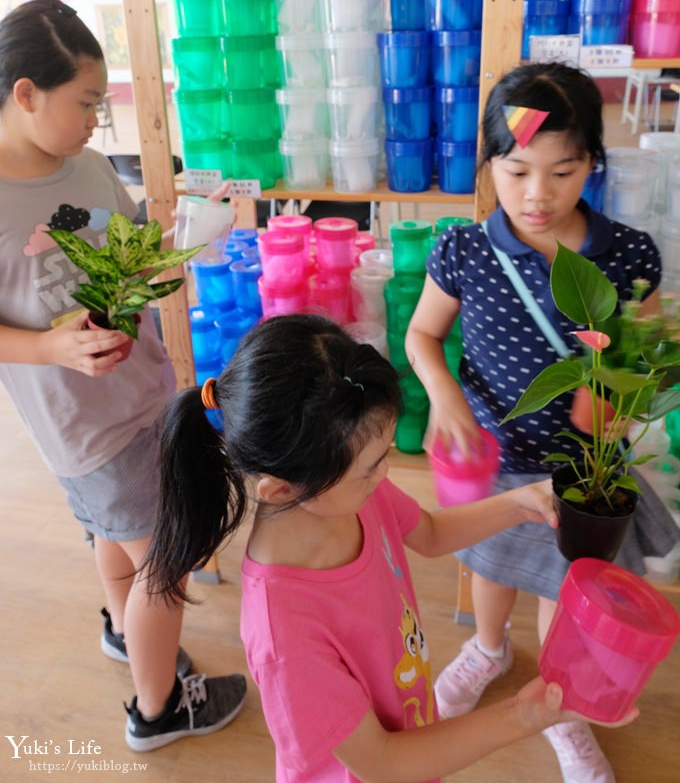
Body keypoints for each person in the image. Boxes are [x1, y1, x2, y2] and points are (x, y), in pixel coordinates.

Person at [144, 312, 637, 782]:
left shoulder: (350, 496)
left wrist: (521, 502)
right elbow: (380, 762)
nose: (385, 474)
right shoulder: (283, 632)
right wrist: (526, 714)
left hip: (412, 735)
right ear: (282, 488)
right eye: (371, 465)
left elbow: (430, 532)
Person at [405, 61, 680, 783]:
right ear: (491, 162)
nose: (537, 194)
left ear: (592, 161)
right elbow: (421, 337)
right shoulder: (464, 251)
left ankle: (558, 704)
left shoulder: (627, 257)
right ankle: (488, 649)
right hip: (499, 451)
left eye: (563, 171)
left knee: (568, 587)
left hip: (582, 468)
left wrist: (619, 404)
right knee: (493, 566)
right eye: (518, 169)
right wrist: (445, 397)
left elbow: (641, 358)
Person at [0, 0, 246, 751]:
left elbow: (135, 260)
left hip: (144, 392)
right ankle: (158, 707)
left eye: (99, 103)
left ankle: (122, 628)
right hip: (84, 425)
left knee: (123, 536)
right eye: (83, 103)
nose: (93, 121)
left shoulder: (94, 166)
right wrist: (49, 348)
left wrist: (180, 243)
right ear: (25, 93)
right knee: (163, 562)